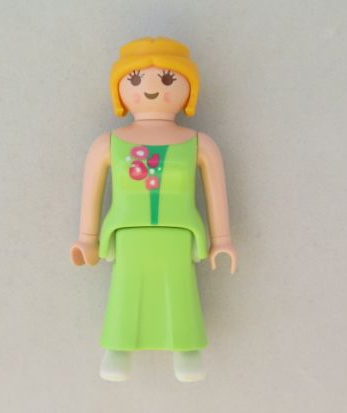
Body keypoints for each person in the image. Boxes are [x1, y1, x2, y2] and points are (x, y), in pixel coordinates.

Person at [70, 37, 237, 382]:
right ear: (119, 90)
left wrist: (222, 240)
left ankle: (187, 350)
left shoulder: (199, 143)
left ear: (189, 89)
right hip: (128, 232)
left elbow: (215, 193)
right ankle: (118, 349)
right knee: (125, 291)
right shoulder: (108, 143)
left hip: (179, 231)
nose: (150, 89)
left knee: (180, 291)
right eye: (134, 79)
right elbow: (91, 193)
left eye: (167, 79)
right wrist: (86, 239)